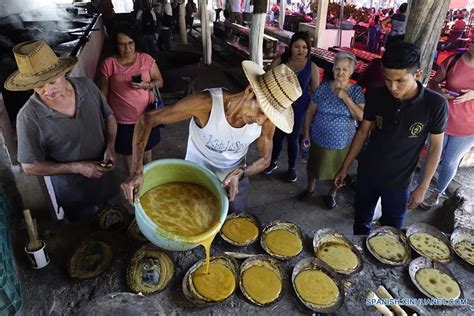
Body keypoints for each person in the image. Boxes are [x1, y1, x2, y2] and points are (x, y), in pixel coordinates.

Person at [121, 61, 302, 212]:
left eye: (268, 117)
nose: (261, 121)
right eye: (262, 111)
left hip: (234, 179)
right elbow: (147, 119)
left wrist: (241, 173)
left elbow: (265, 158)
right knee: (190, 218)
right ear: (249, 92)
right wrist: (137, 169)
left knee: (233, 220)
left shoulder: (265, 121)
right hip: (196, 175)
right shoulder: (207, 104)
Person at [334, 42, 448, 234]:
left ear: (417, 75)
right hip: (368, 172)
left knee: (392, 229)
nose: (393, 87)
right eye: (387, 79)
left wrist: (423, 186)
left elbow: (435, 147)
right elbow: (363, 132)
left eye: (400, 81)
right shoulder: (377, 94)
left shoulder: (435, 104)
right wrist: (345, 166)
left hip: (399, 181)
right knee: (361, 221)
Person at [4, 40, 118, 221]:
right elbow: (29, 166)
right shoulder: (28, 117)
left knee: (121, 223)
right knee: (89, 239)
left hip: (109, 183)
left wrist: (110, 146)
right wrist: (76, 167)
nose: (48, 91)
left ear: (63, 72)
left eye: (52, 81)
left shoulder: (87, 87)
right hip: (76, 196)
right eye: (39, 85)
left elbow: (109, 117)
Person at [298, 52, 365, 209]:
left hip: (343, 143)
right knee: (313, 166)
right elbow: (310, 112)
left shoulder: (356, 92)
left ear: (351, 71)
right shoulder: (323, 88)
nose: (340, 73)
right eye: (337, 68)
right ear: (333, 69)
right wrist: (306, 133)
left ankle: (331, 194)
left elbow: (361, 116)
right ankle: (310, 188)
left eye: (345, 69)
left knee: (340, 170)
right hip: (318, 138)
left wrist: (345, 97)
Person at [98, 23, 164, 174]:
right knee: (128, 152)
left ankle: (149, 177)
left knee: (146, 148)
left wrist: (146, 85)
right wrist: (104, 116)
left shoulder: (146, 60)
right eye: (122, 45)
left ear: (136, 43)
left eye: (130, 43)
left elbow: (160, 82)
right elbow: (103, 93)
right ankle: (133, 180)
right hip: (122, 120)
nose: (127, 48)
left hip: (147, 116)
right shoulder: (109, 64)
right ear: (115, 46)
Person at [420, 31, 474, 209]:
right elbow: (434, 82)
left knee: (450, 162)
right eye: (473, 38)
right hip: (442, 119)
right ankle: (421, 188)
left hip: (468, 126)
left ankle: (437, 193)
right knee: (432, 156)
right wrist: (438, 90)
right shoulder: (454, 60)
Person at [263, 31, 320, 182]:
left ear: (308, 49)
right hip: (279, 106)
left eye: (304, 47)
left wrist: (311, 114)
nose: (301, 50)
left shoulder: (312, 67)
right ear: (290, 47)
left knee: (293, 139)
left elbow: (315, 93)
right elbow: (266, 78)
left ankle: (291, 168)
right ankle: (272, 162)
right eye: (297, 46)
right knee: (277, 137)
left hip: (299, 109)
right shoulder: (280, 61)